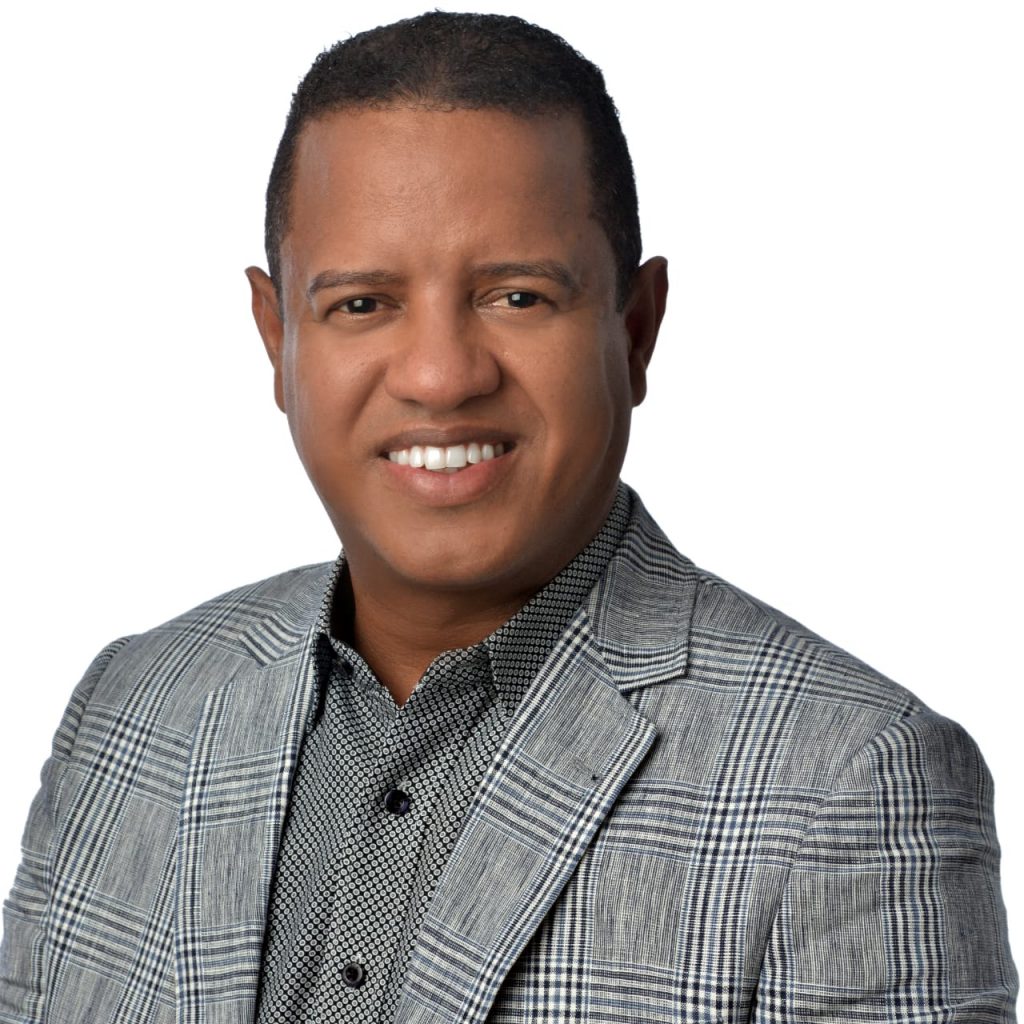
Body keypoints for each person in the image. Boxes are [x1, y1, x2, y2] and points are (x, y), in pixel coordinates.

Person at [0, 10, 1016, 1024]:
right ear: (278, 341)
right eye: (362, 304)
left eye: (518, 297)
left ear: (636, 328)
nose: (441, 376)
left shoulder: (849, 782)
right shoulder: (134, 705)